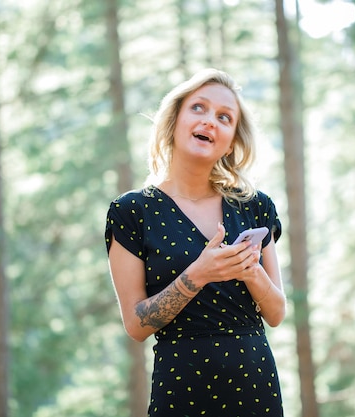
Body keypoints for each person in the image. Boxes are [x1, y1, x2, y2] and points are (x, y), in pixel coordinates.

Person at [105, 68, 286, 417]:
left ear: (232, 140)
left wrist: (250, 272)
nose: (210, 122)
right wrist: (197, 275)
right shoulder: (131, 211)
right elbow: (136, 324)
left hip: (255, 387)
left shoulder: (255, 205)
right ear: (174, 121)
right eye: (198, 108)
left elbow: (277, 313)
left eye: (224, 117)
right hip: (181, 389)